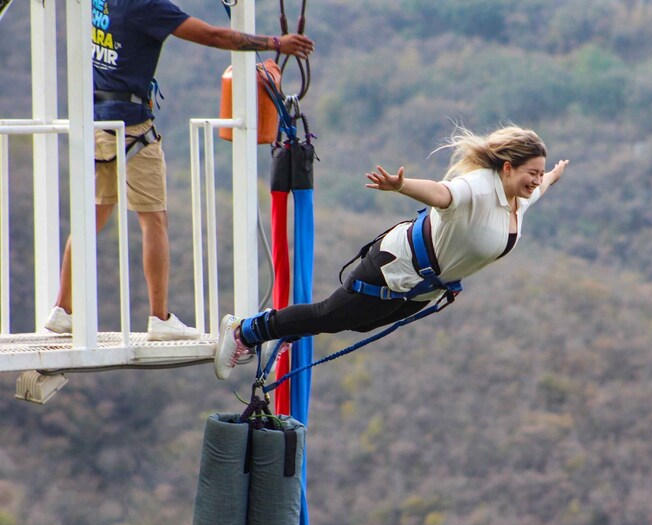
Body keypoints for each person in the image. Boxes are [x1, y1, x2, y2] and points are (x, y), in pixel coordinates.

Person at [43, 0, 315, 340]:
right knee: (153, 218)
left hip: (96, 123)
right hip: (132, 128)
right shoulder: (147, 6)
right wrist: (276, 43)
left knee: (90, 219)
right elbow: (215, 36)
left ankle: (62, 308)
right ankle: (160, 317)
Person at [213, 125, 569, 379]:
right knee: (329, 316)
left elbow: (543, 188)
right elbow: (442, 194)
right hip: (393, 265)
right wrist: (402, 186)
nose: (536, 181)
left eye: (539, 174)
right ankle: (246, 331)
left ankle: (291, 328)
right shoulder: (477, 187)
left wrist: (554, 175)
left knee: (360, 323)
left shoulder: (518, 198)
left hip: (424, 287)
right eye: (531, 173)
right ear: (507, 168)